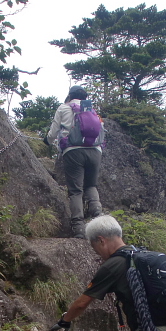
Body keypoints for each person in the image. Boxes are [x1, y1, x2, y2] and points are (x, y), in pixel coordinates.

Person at [44, 85, 103, 239]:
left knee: (76, 190)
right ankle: (97, 213)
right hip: (95, 151)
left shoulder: (64, 108)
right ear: (84, 97)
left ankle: (79, 228)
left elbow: (54, 131)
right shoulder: (91, 110)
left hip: (73, 151)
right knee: (91, 185)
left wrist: (47, 141)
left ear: (69, 95)